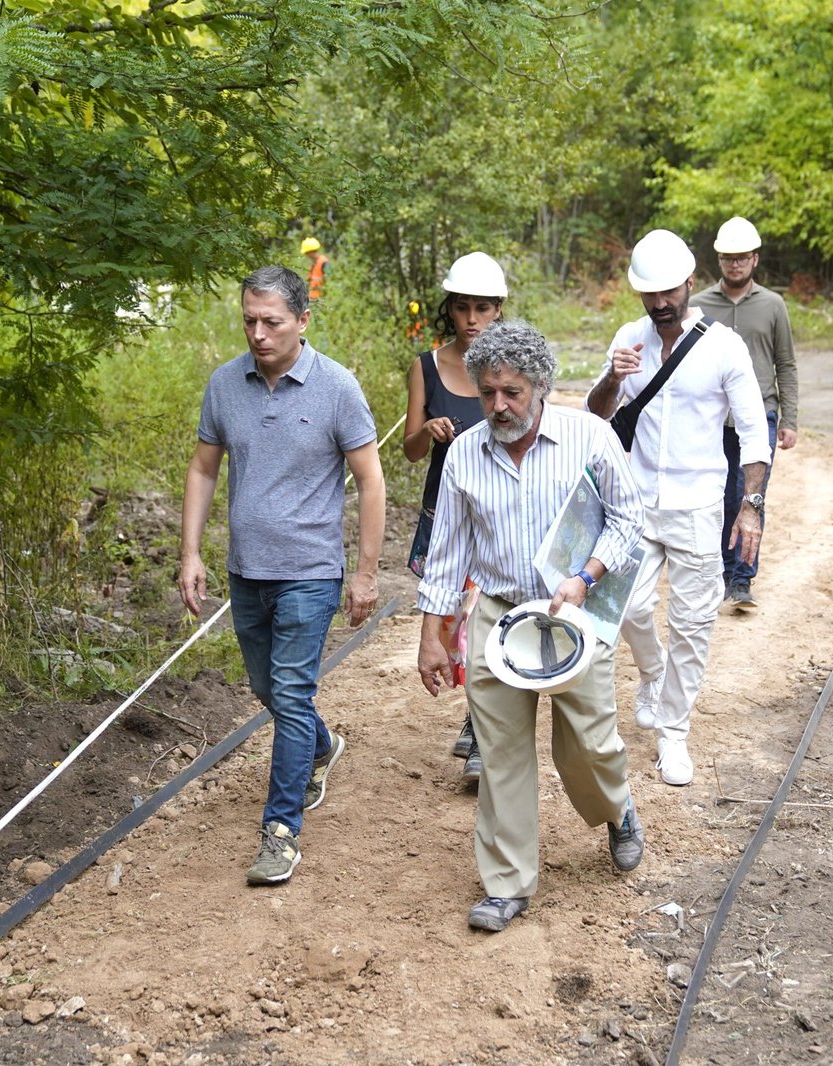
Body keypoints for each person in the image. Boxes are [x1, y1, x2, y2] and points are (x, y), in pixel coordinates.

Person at [416, 319, 647, 933]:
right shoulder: (466, 452)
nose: (499, 406)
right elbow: (446, 554)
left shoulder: (590, 437)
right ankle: (507, 884)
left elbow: (628, 519)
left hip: (575, 610)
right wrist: (431, 636)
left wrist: (586, 576)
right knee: (501, 755)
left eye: (512, 393)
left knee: (588, 747)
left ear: (540, 387)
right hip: (499, 615)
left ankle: (617, 809)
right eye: (488, 393)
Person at [177, 265, 385, 886]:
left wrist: (366, 573)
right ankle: (320, 745)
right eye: (249, 321)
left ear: (302, 321)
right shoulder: (225, 384)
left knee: (291, 693)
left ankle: (281, 831)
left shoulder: (337, 388)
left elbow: (372, 480)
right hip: (247, 570)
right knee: (268, 690)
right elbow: (203, 469)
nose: (259, 334)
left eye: (272, 322)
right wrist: (190, 552)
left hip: (311, 572)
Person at [585, 229, 770, 787]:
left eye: (670, 291)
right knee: (626, 608)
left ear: (690, 284)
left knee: (692, 624)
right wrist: (613, 377)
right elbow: (597, 416)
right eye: (650, 294)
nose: (661, 303)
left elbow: (755, 432)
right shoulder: (627, 339)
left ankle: (674, 734)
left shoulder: (723, 347)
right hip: (635, 503)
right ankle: (652, 674)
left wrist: (752, 506)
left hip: (699, 505)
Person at [403, 252, 508, 784]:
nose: (472, 319)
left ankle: (480, 726)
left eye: (483, 308)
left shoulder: (510, 372)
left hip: (497, 514)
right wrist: (429, 429)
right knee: (450, 624)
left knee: (483, 618)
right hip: (444, 514)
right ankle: (475, 713)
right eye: (463, 308)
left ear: (498, 310)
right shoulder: (427, 365)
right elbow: (410, 451)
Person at [689, 216, 798, 610]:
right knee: (717, 497)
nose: (735, 265)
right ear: (719, 260)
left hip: (761, 416)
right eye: (727, 258)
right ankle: (717, 574)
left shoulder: (773, 306)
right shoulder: (699, 305)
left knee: (750, 496)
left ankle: (741, 580)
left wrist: (790, 419)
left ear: (754, 260)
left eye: (742, 258)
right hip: (714, 418)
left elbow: (785, 363)